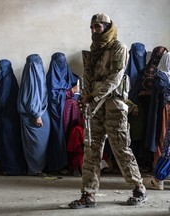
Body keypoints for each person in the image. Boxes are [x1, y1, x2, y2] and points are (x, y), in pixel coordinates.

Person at [68, 13, 147, 208]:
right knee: (91, 150)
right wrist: (85, 99)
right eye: (92, 27)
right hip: (94, 108)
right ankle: (88, 194)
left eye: (98, 27)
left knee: (121, 148)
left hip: (113, 106)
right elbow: (87, 78)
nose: (94, 30)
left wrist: (92, 96)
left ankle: (138, 188)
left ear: (107, 26)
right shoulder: (94, 50)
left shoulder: (119, 47)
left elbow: (115, 78)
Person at [0, 59, 26, 175]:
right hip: (12, 116)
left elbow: (1, 101)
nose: (0, 71)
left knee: (7, 143)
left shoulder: (6, 81)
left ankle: (10, 168)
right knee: (12, 142)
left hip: (7, 117)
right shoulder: (10, 78)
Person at [46, 52, 79, 174]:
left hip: (71, 113)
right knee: (58, 136)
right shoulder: (50, 78)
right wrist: (70, 91)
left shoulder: (71, 76)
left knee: (72, 135)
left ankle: (72, 164)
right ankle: (59, 165)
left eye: (63, 62)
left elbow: (78, 87)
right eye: (59, 62)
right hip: (57, 113)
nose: (62, 65)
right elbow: (54, 95)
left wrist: (76, 91)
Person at [17, 54, 50, 176]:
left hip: (38, 113)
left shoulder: (30, 75)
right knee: (36, 145)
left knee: (37, 144)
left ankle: (38, 168)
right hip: (34, 115)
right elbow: (33, 98)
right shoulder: (33, 77)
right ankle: (36, 169)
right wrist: (37, 115)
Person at [143, 51, 170, 190]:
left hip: (165, 110)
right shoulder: (162, 76)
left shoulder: (161, 76)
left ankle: (159, 179)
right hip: (164, 110)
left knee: (167, 146)